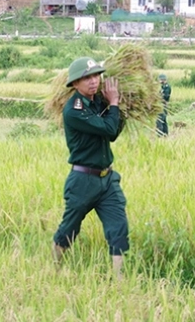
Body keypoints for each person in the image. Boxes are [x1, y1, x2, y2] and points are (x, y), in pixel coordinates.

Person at [52, 57, 129, 277]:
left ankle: (119, 279)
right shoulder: (74, 110)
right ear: (75, 83)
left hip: (108, 179)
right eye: (87, 78)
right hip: (83, 181)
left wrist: (118, 106)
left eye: (96, 76)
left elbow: (114, 131)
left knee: (119, 227)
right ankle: (54, 269)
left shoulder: (98, 102)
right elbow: (109, 129)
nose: (93, 81)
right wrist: (114, 103)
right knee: (69, 228)